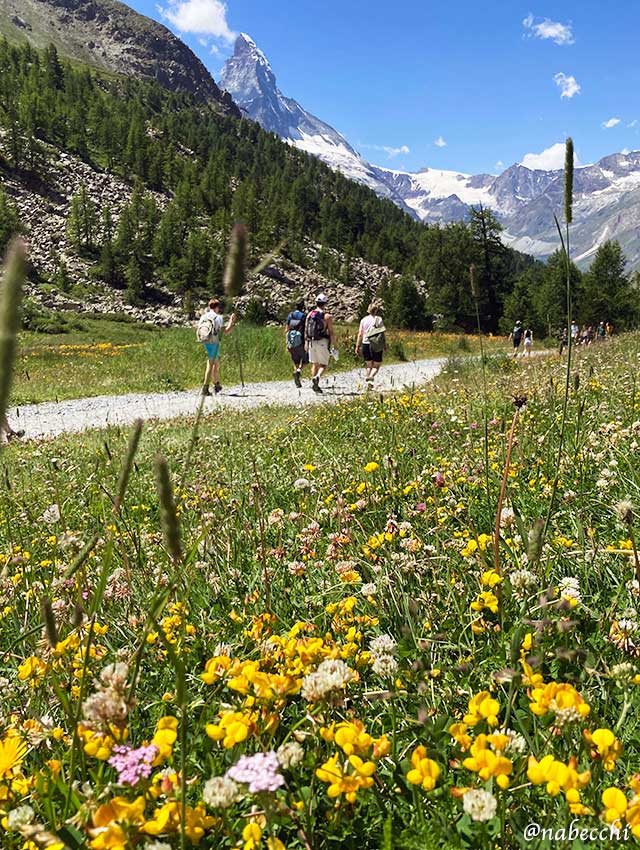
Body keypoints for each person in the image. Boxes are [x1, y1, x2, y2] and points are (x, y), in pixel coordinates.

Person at [197, 298, 236, 396]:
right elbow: (226, 332)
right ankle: (205, 388)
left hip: (206, 341)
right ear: (217, 307)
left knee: (216, 364)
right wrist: (231, 322)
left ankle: (216, 384)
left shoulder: (204, 317)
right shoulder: (218, 318)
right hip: (214, 342)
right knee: (211, 364)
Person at [305, 293, 335, 394]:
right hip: (322, 341)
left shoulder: (309, 314)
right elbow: (331, 332)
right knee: (324, 364)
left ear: (316, 303)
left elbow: (306, 329)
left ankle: (314, 381)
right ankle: (317, 377)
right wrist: (334, 344)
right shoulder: (327, 316)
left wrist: (306, 342)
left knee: (314, 364)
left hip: (311, 341)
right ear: (325, 303)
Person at [355, 303, 386, 388]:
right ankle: (371, 377)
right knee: (376, 365)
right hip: (376, 344)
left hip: (365, 343)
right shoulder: (379, 319)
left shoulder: (363, 320)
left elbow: (360, 334)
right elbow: (382, 333)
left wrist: (357, 346)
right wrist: (384, 345)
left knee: (369, 365)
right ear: (376, 310)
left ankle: (369, 383)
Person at [285, 300, 307, 388]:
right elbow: (306, 329)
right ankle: (298, 371)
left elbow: (287, 329)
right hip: (301, 341)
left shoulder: (291, 315)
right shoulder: (304, 316)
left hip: (291, 341)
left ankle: (297, 379)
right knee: (306, 359)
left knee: (296, 361)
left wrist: (287, 342)